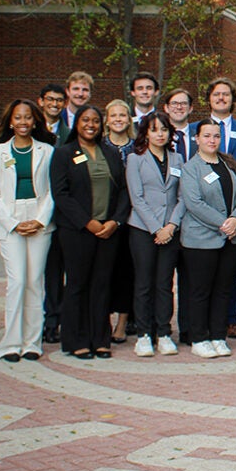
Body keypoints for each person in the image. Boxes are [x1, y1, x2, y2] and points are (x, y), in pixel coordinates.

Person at [50, 105, 129, 360]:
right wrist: (87, 222)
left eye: (95, 120)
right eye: (85, 120)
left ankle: (100, 339)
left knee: (102, 285)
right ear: (77, 123)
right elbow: (61, 194)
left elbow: (124, 191)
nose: (91, 125)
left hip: (108, 231)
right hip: (77, 231)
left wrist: (115, 222)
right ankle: (77, 340)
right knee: (77, 285)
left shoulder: (110, 153)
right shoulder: (64, 153)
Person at [0, 99, 57, 362]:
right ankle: (10, 343)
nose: (23, 122)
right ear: (10, 121)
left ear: (35, 121)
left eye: (28, 117)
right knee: (17, 282)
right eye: (18, 117)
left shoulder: (47, 151)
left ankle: (31, 343)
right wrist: (14, 223)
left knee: (34, 282)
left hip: (40, 221)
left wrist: (39, 220)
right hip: (10, 222)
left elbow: (52, 189)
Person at [180, 120, 236, 359]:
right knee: (200, 290)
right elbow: (194, 203)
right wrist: (223, 223)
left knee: (223, 290)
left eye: (216, 136)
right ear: (196, 139)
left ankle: (218, 336)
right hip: (202, 240)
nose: (212, 140)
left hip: (230, 238)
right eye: (207, 136)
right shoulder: (191, 168)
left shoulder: (229, 164)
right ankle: (199, 338)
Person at [126, 111, 184, 358]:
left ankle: (164, 332)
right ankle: (143, 334)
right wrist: (156, 228)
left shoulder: (178, 159)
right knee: (144, 283)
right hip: (143, 230)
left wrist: (170, 226)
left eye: (163, 129)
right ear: (145, 133)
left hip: (170, 231)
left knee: (165, 284)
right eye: (154, 129)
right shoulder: (135, 159)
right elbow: (136, 198)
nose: (159, 134)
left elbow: (182, 197)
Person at [206, 77, 236, 340]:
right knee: (204, 266)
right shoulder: (197, 129)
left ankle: (230, 318)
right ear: (209, 99)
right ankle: (204, 317)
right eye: (217, 94)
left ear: (233, 99)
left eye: (226, 94)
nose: (222, 98)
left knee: (230, 266)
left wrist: (235, 192)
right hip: (203, 213)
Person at [102, 99, 136, 344]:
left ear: (129, 119)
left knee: (127, 272)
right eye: (113, 115)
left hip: (133, 219)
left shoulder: (138, 148)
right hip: (104, 219)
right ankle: (102, 319)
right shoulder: (98, 147)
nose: (118, 119)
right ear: (107, 119)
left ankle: (122, 323)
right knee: (104, 273)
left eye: (122, 115)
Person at [163, 88, 195, 161]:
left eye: (184, 103)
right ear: (166, 108)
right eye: (174, 103)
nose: (179, 107)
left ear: (190, 108)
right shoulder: (161, 136)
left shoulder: (199, 137)